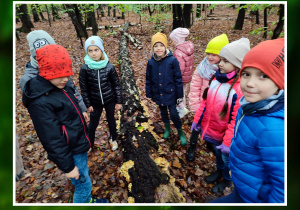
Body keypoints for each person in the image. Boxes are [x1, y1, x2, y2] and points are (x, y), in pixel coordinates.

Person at [22, 44, 108, 203]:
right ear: (46, 72)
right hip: (70, 151)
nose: (65, 79)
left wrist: (81, 112)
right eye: (59, 75)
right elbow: (51, 139)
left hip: (77, 143)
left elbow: (71, 105)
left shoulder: (62, 86)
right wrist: (68, 167)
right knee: (83, 185)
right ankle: (85, 202)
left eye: (67, 74)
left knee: (83, 174)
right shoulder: (40, 101)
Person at [211, 38, 285, 203]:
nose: (250, 83)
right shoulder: (250, 105)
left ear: (280, 81)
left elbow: (283, 189)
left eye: (263, 76)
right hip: (244, 187)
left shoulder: (274, 129)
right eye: (246, 74)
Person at [187, 38, 250, 193]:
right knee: (217, 154)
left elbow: (236, 119)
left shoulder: (239, 89)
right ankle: (219, 171)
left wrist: (228, 142)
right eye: (221, 59)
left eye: (225, 61)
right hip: (214, 130)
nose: (220, 63)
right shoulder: (216, 78)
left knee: (227, 159)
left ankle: (228, 181)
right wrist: (197, 120)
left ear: (237, 65)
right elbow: (205, 101)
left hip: (226, 136)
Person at [19, 30, 89, 123]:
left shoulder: (61, 68)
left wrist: (82, 108)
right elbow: (35, 108)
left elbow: (73, 89)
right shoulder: (28, 79)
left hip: (72, 115)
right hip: (52, 122)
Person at [79, 36, 122, 150]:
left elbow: (116, 85)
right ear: (87, 52)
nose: (94, 53)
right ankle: (89, 143)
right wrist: (88, 104)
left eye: (96, 50)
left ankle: (113, 139)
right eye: (90, 51)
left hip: (109, 99)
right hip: (95, 101)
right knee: (93, 123)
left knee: (111, 120)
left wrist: (118, 101)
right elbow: (84, 88)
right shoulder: (85, 68)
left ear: (101, 50)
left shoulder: (109, 67)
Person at [146, 32, 187, 146]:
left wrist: (179, 96)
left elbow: (178, 79)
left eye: (161, 45)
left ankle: (180, 132)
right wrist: (149, 93)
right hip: (158, 93)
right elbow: (148, 79)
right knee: (163, 112)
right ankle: (167, 129)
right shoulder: (151, 62)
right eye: (156, 46)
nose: (159, 48)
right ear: (152, 47)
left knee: (174, 113)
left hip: (171, 94)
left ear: (165, 46)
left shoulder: (172, 60)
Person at [189, 34, 229, 113]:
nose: (210, 57)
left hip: (220, 110)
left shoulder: (227, 70)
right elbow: (194, 88)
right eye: (208, 54)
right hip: (202, 107)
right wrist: (195, 107)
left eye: (214, 55)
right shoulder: (202, 68)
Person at [169, 27, 194, 118]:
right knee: (182, 92)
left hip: (180, 78)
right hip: (186, 77)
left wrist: (173, 76)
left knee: (178, 94)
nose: (172, 42)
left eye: (173, 40)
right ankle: (181, 107)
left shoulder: (178, 52)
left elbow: (179, 68)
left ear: (177, 40)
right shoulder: (188, 49)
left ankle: (182, 109)